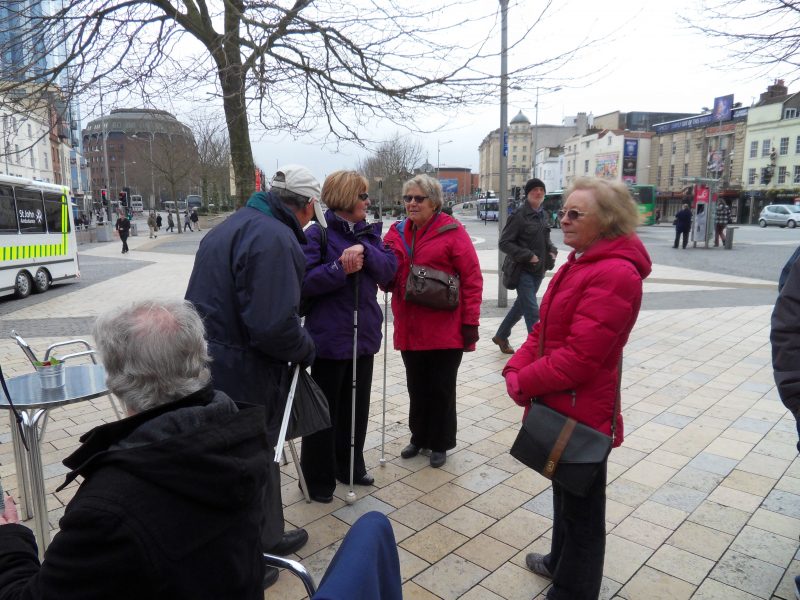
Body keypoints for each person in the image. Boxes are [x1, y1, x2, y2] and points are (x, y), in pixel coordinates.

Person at [0, 299, 269, 599]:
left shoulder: (109, 509)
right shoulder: (240, 432)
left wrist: (10, 540)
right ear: (199, 358)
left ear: (115, 381)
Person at [503, 177, 651, 600]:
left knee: (583, 512)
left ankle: (574, 590)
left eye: (574, 214)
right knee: (563, 492)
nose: (561, 220)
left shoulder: (616, 273)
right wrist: (517, 364)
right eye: (562, 212)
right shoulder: (580, 262)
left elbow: (581, 358)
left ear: (605, 221)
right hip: (560, 404)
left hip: (582, 410)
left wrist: (524, 380)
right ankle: (557, 561)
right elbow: (544, 332)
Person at [185, 164, 324, 587]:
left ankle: (268, 534)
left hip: (212, 360)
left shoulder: (231, 226)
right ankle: (251, 554)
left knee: (249, 455)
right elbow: (271, 327)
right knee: (250, 459)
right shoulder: (276, 237)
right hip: (244, 367)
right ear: (306, 206)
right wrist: (306, 347)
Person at [299, 171, 397, 503]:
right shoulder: (318, 235)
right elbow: (304, 282)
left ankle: (350, 465)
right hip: (329, 339)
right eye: (362, 196)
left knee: (357, 407)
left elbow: (389, 273)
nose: (367, 202)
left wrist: (366, 254)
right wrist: (339, 269)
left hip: (364, 336)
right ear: (345, 199)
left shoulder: (369, 235)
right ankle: (317, 477)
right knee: (325, 412)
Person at [384, 174, 483, 468]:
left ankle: (440, 442)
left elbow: (473, 279)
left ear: (435, 202)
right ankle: (419, 436)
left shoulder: (453, 232)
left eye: (419, 198)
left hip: (445, 329)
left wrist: (471, 324)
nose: (412, 204)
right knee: (416, 385)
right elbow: (387, 268)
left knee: (441, 387)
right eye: (408, 198)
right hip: (411, 326)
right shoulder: (397, 232)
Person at [492, 178, 557, 355]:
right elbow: (504, 243)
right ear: (528, 193)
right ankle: (537, 351)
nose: (538, 192)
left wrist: (552, 250)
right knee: (532, 311)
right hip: (523, 271)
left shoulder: (541, 214)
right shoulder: (519, 216)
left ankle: (501, 336)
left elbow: (546, 238)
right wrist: (528, 255)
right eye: (534, 190)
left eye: (541, 190)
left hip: (539, 271)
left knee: (521, 306)